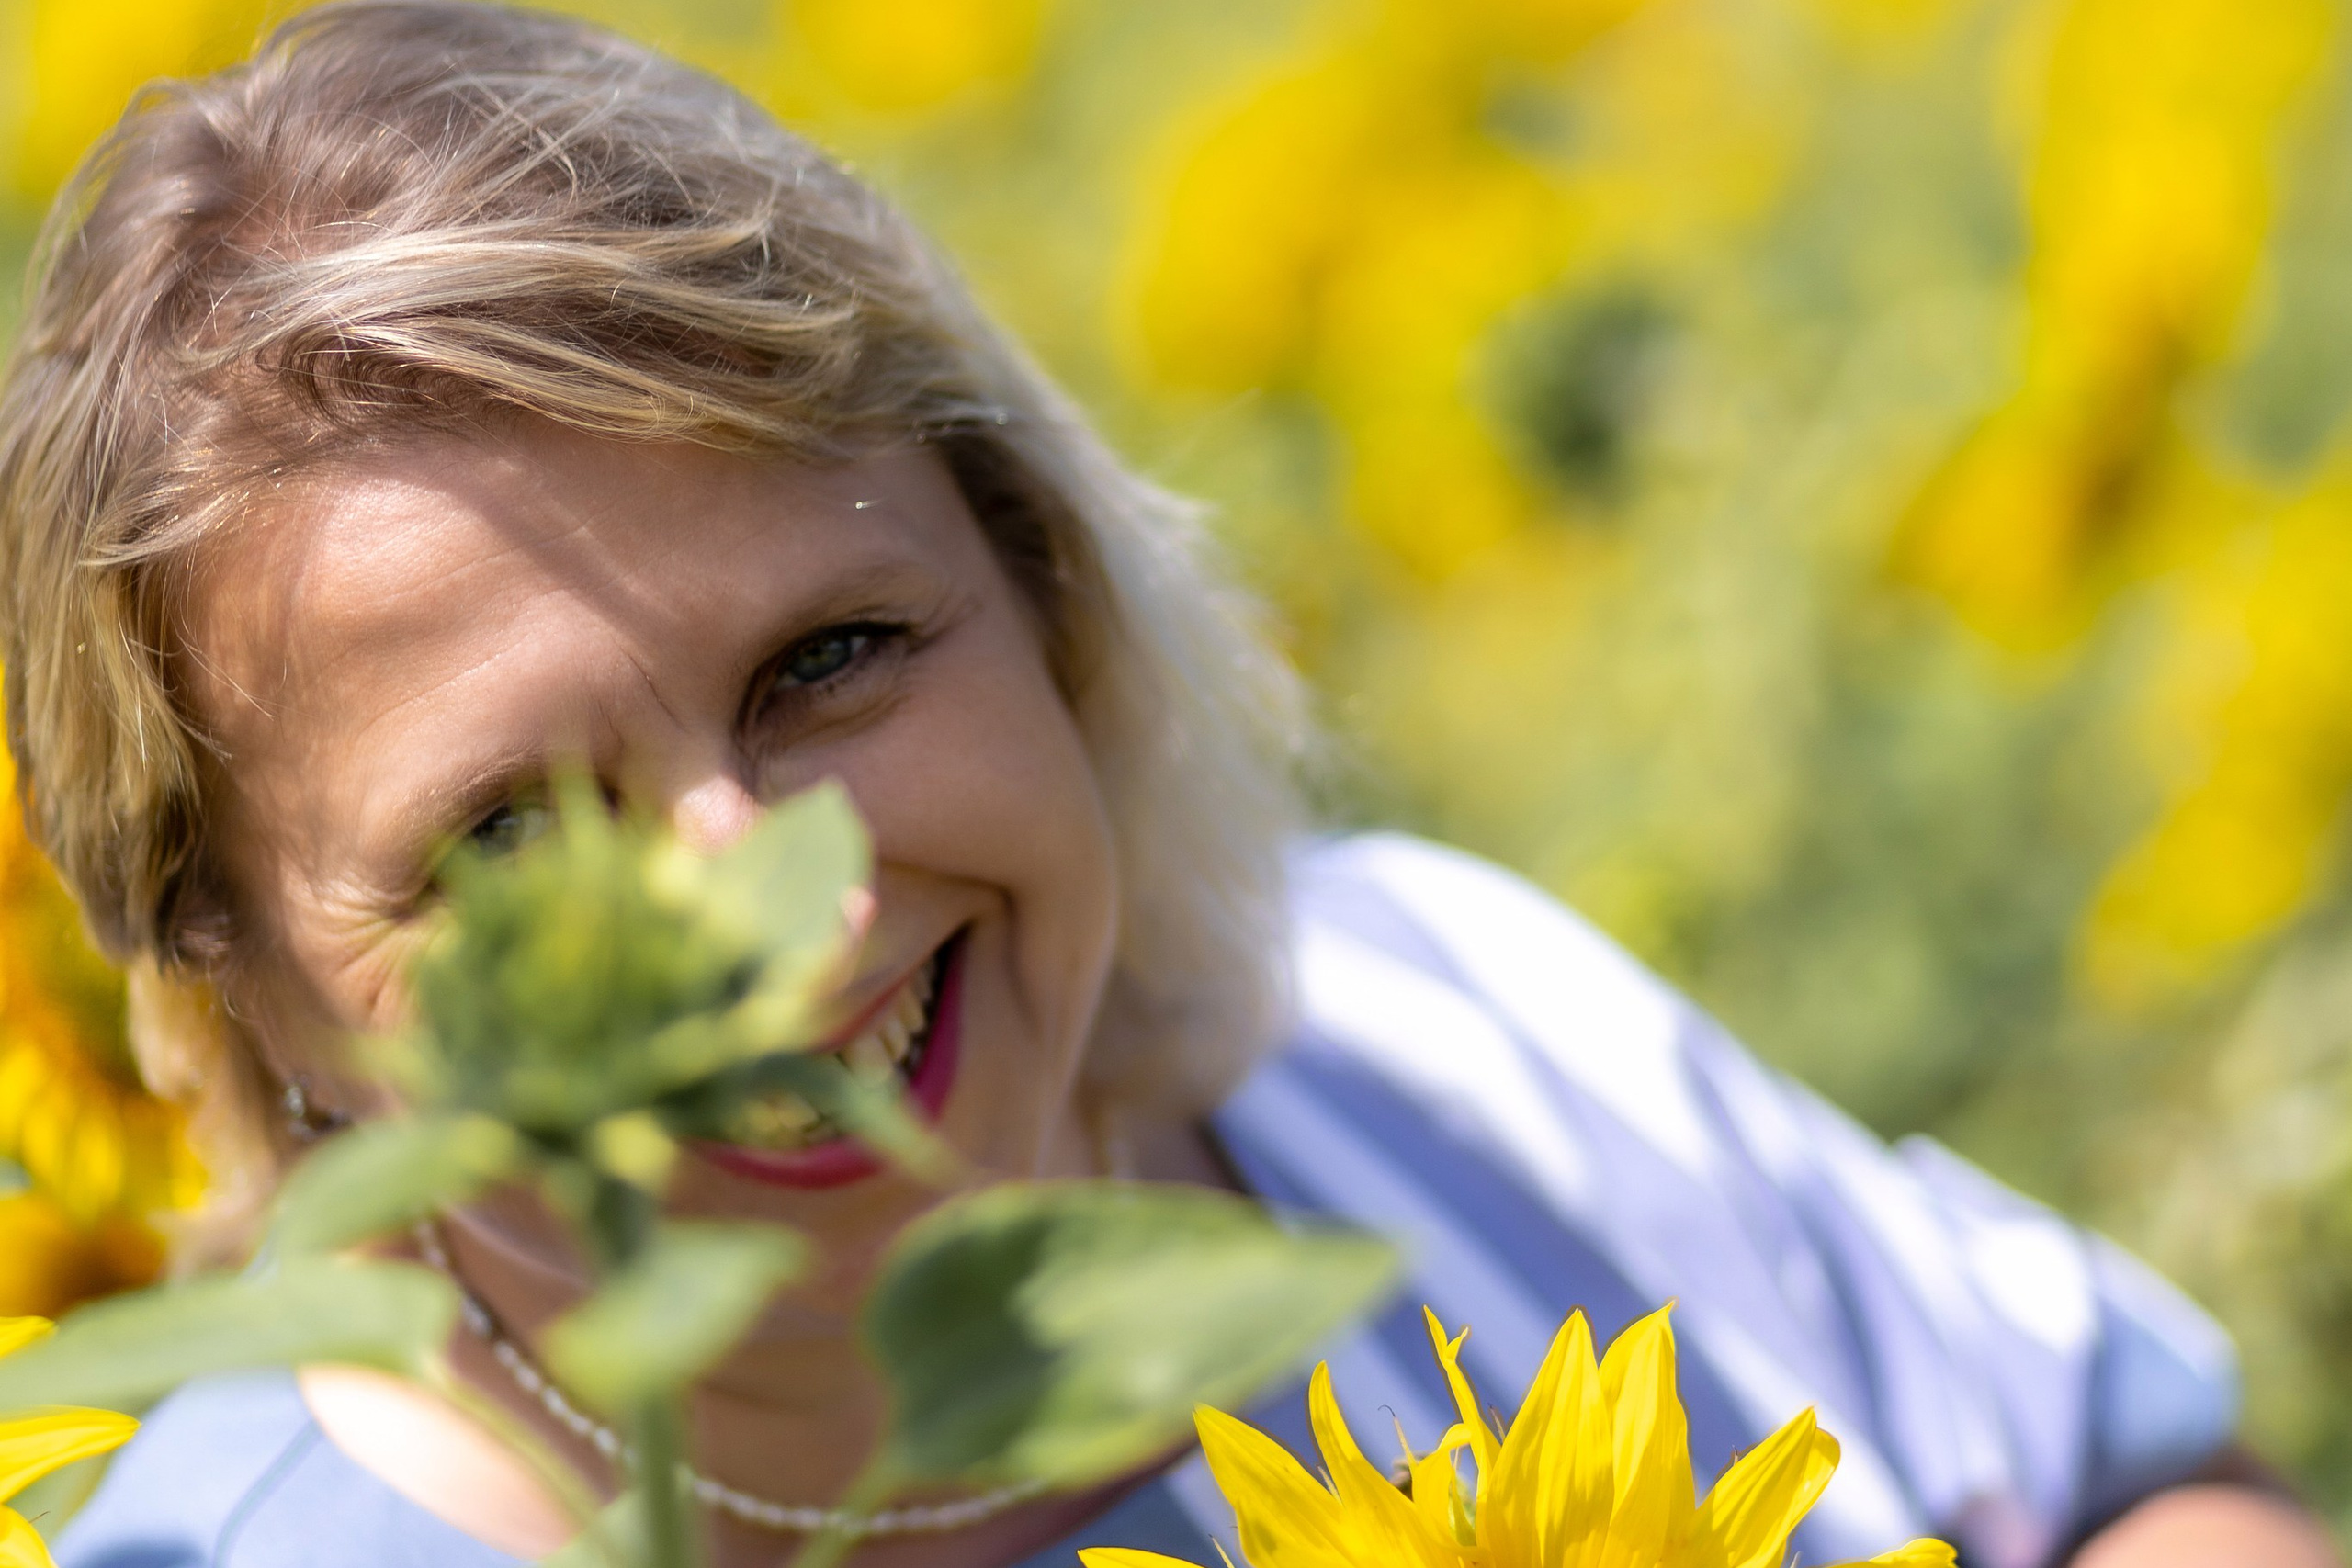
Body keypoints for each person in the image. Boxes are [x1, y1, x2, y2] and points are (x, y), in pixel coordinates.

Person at [0, 6, 2333, 1566]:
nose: (775, 920)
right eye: (506, 833)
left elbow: (2129, 1485)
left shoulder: (1432, 1039)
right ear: (249, 975)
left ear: (1043, 588)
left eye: (828, 661)